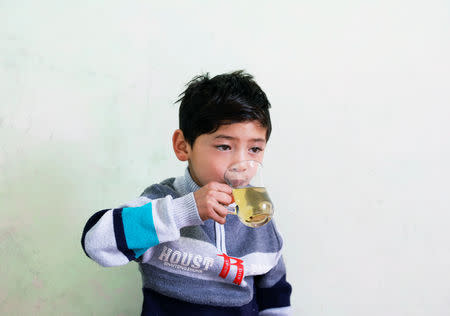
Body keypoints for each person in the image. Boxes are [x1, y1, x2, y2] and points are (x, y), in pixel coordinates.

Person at [81, 70, 292, 315]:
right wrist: (184, 211)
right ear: (183, 146)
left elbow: (274, 291)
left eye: (255, 149)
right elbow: (95, 242)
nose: (242, 164)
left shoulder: (256, 215)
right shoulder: (163, 203)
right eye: (224, 146)